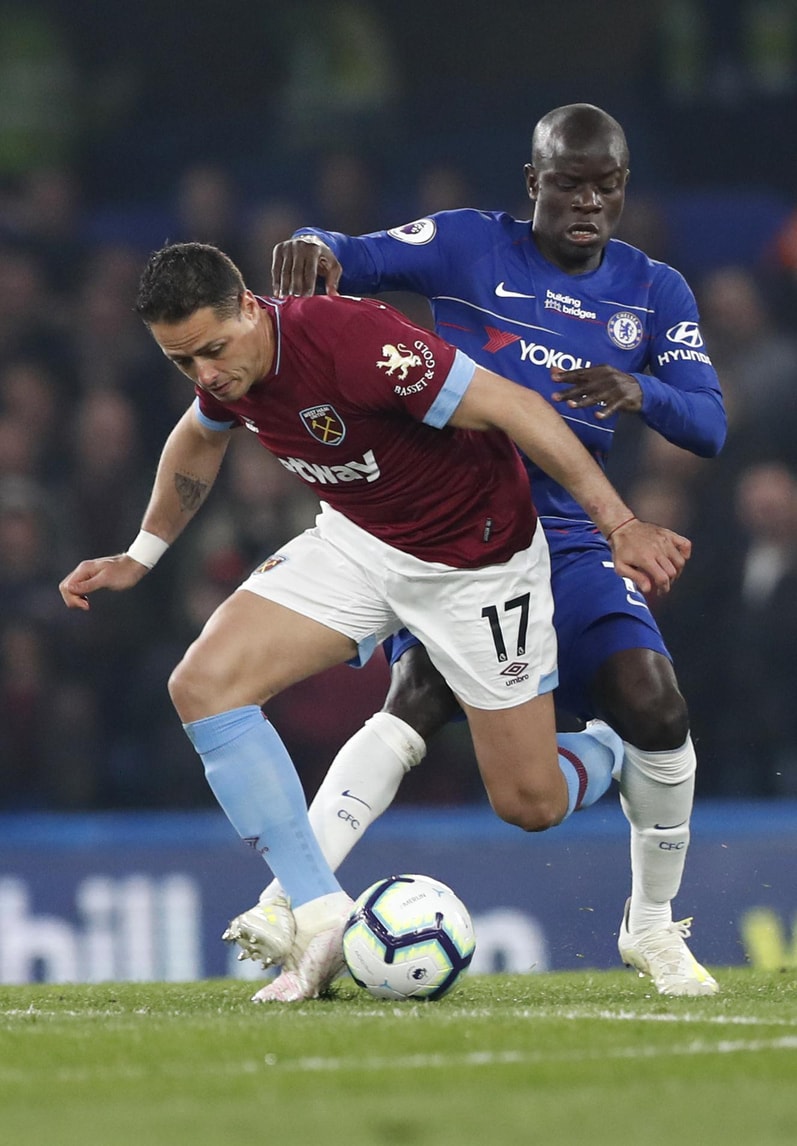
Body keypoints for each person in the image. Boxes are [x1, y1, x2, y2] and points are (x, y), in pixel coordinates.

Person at [59, 240, 689, 1002]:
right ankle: (318, 912)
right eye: (181, 361)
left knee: (531, 803)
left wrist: (620, 524)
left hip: (476, 564)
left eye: (212, 352)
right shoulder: (227, 370)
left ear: (250, 309)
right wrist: (141, 555)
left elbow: (518, 409)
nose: (204, 375)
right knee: (202, 684)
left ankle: (610, 751)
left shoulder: (355, 342)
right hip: (359, 543)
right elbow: (199, 434)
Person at [228, 103, 726, 996]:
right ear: (532, 182)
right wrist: (311, 243)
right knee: (416, 697)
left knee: (655, 704)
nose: (587, 203)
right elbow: (349, 254)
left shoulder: (654, 291)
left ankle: (651, 926)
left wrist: (638, 389)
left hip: (566, 532)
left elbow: (709, 424)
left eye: (605, 187)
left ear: (623, 188)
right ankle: (292, 909)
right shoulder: (466, 245)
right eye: (567, 184)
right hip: (449, 525)